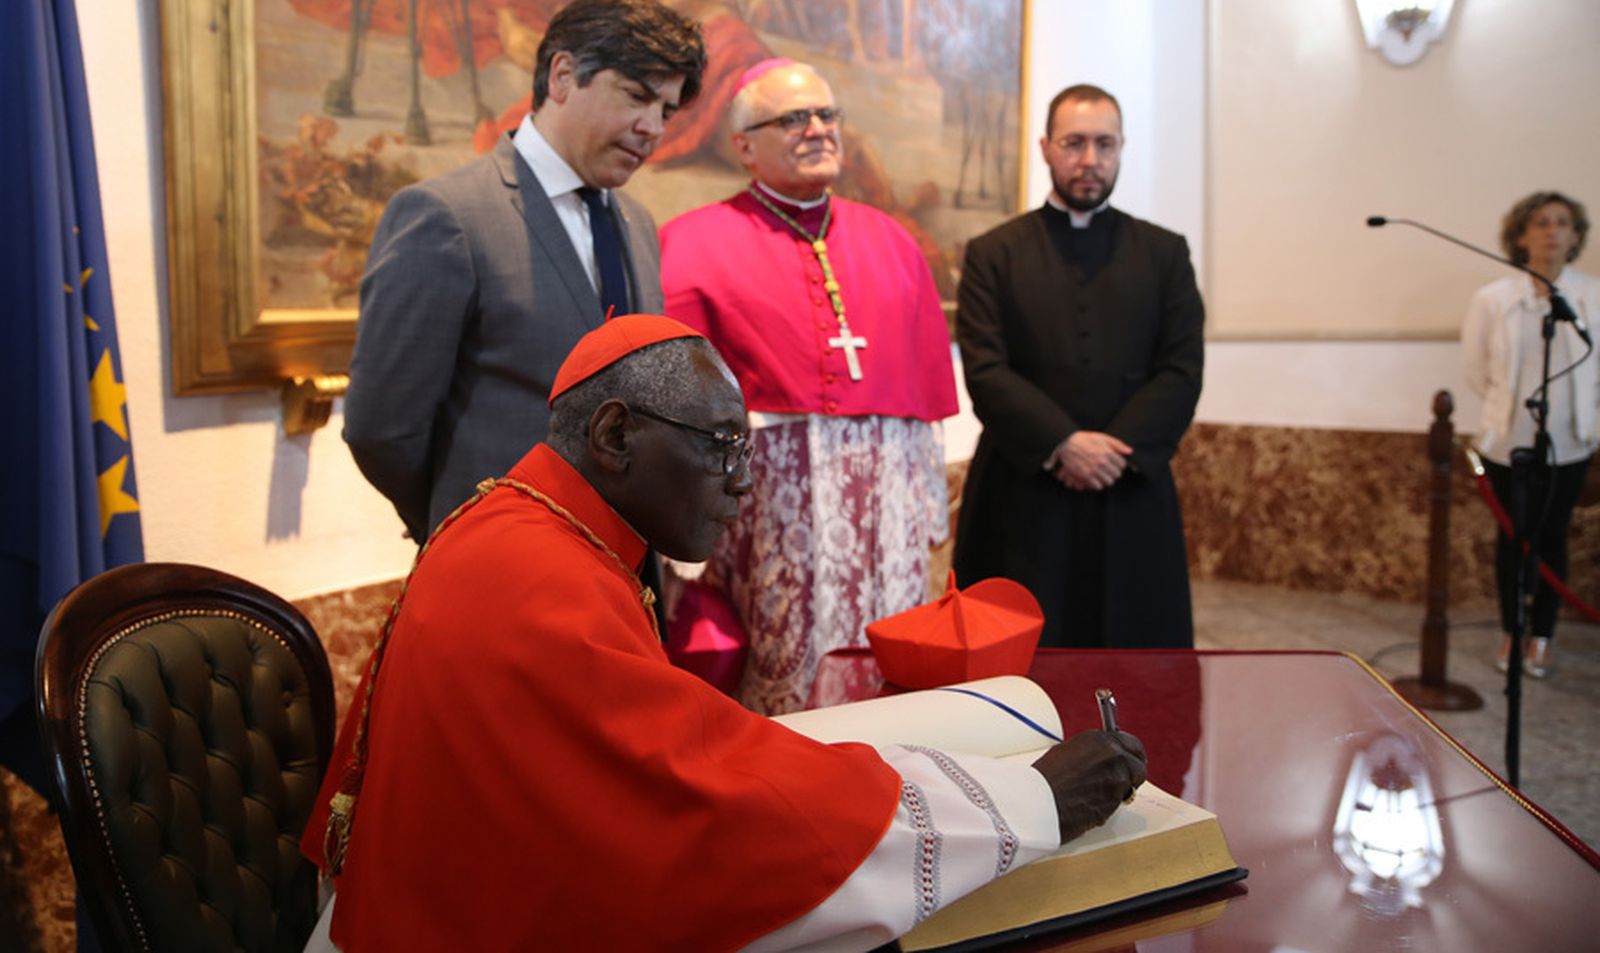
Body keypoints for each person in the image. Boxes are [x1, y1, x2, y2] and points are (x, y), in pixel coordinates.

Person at [300, 315, 1147, 952]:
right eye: (723, 447)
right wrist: (1031, 801)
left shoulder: (519, 524)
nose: (744, 485)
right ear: (616, 434)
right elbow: (713, 831)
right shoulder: (544, 588)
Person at [342, 0, 707, 541]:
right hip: (499, 553)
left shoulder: (636, 223)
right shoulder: (448, 215)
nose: (653, 127)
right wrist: (459, 521)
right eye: (637, 96)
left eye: (666, 111)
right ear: (563, 76)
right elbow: (380, 429)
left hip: (624, 556)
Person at [660, 59, 959, 714]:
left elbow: (924, 402)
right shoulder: (689, 242)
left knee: (889, 676)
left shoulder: (893, 241)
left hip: (885, 509)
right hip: (772, 511)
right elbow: (676, 403)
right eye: (794, 118)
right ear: (744, 146)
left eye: (827, 114)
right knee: (784, 674)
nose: (818, 129)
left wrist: (923, 501)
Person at [953, 84, 1205, 649]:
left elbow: (1182, 367)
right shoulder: (994, 253)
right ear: (1045, 147)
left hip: (1130, 486)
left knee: (1137, 654)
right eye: (1074, 143)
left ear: (1121, 149)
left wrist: (1112, 452)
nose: (1090, 160)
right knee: (1019, 656)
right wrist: (1063, 442)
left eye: (1104, 144)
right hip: (1024, 489)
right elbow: (986, 369)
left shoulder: (1164, 254)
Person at [1462, 191, 1597, 679]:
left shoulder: (1592, 296)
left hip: (1571, 439)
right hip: (1510, 438)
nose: (1552, 231)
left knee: (1552, 535)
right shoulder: (1494, 299)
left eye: (1563, 222)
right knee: (1512, 537)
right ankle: (1511, 629)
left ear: (1576, 235)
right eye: (1541, 222)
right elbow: (1477, 369)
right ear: (1521, 235)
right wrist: (1503, 410)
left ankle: (1543, 635)